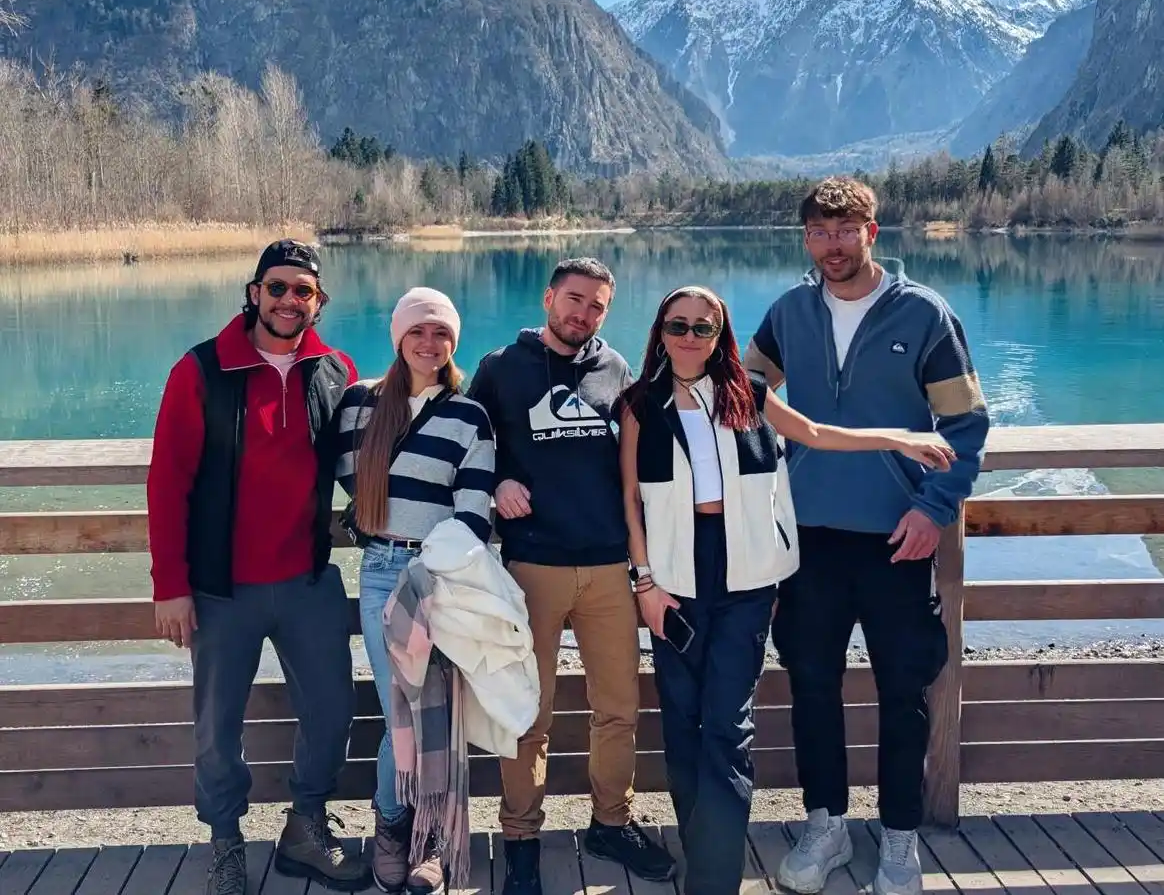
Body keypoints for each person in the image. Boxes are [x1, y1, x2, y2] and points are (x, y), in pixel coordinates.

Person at [618, 285, 954, 895]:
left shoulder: (748, 396)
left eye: (704, 327)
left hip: (746, 574)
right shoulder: (640, 405)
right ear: (659, 332)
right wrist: (644, 583)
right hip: (672, 577)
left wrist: (898, 439)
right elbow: (630, 503)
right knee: (682, 720)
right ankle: (701, 850)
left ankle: (713, 880)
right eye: (678, 325)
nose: (690, 337)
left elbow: (819, 433)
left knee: (727, 724)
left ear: (721, 336)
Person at [744, 178, 991, 895]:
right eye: (818, 233)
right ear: (806, 238)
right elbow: (741, 393)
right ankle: (825, 827)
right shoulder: (789, 312)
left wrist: (934, 509)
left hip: (898, 537)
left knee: (904, 689)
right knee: (812, 683)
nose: (831, 246)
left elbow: (966, 428)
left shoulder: (925, 315)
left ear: (872, 233)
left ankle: (899, 839)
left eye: (844, 231)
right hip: (808, 539)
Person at [146, 239, 368, 895]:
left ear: (317, 302)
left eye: (303, 291)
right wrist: (171, 587)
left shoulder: (337, 370)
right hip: (221, 590)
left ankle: (306, 823)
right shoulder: (201, 370)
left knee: (333, 710)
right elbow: (167, 483)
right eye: (278, 288)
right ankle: (225, 840)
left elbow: (361, 465)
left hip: (306, 580)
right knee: (218, 725)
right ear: (254, 293)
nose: (289, 301)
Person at [466, 257, 676, 895]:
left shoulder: (616, 371)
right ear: (549, 297)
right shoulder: (501, 369)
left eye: (596, 307)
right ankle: (522, 835)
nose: (583, 314)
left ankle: (610, 821)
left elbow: (648, 455)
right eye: (574, 300)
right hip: (534, 568)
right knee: (528, 711)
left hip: (612, 568)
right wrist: (496, 479)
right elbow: (467, 447)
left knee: (618, 708)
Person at [330, 286, 497, 895]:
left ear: (455, 342)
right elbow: (345, 479)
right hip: (381, 573)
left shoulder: (468, 415)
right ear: (398, 337)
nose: (430, 344)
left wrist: (444, 570)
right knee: (401, 709)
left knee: (438, 713)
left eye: (442, 334)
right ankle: (398, 826)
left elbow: (473, 509)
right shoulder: (358, 405)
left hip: (444, 578)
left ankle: (427, 837)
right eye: (418, 332)